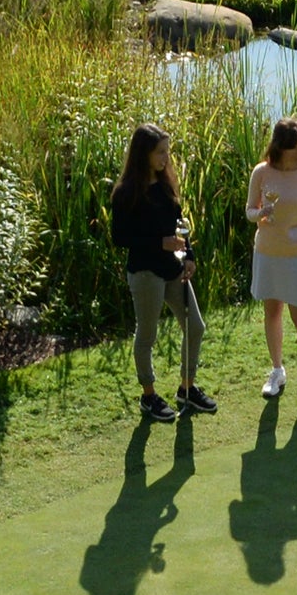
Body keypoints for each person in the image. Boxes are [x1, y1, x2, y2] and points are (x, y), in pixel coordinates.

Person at [110, 122, 211, 426]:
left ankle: (186, 389)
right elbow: (119, 238)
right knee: (147, 335)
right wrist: (159, 243)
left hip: (173, 269)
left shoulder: (166, 184)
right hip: (145, 273)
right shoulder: (125, 193)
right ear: (144, 154)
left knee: (195, 327)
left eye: (168, 151)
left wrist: (189, 254)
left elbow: (179, 224)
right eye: (160, 152)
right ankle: (149, 395)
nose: (166, 158)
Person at [247, 116, 297, 411]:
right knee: (272, 312)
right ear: (280, 147)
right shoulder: (262, 172)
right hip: (268, 252)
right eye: (295, 148)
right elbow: (249, 211)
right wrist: (261, 213)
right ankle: (277, 371)